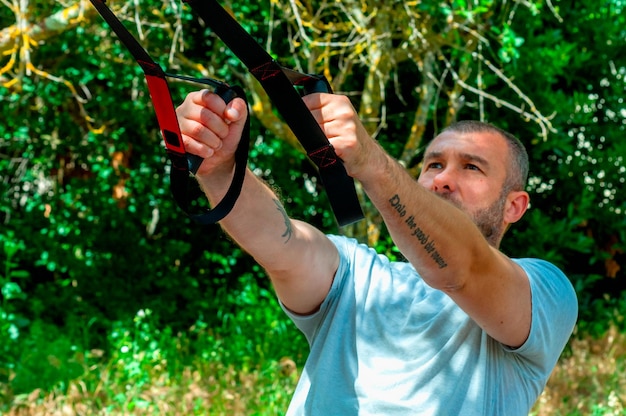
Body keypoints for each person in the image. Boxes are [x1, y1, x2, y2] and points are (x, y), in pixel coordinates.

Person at [176, 90, 578, 415]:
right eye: (433, 164)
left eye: (471, 167)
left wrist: (372, 163)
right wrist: (220, 168)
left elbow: (464, 269)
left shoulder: (545, 293)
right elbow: (279, 243)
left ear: (515, 206)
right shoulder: (358, 275)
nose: (443, 180)